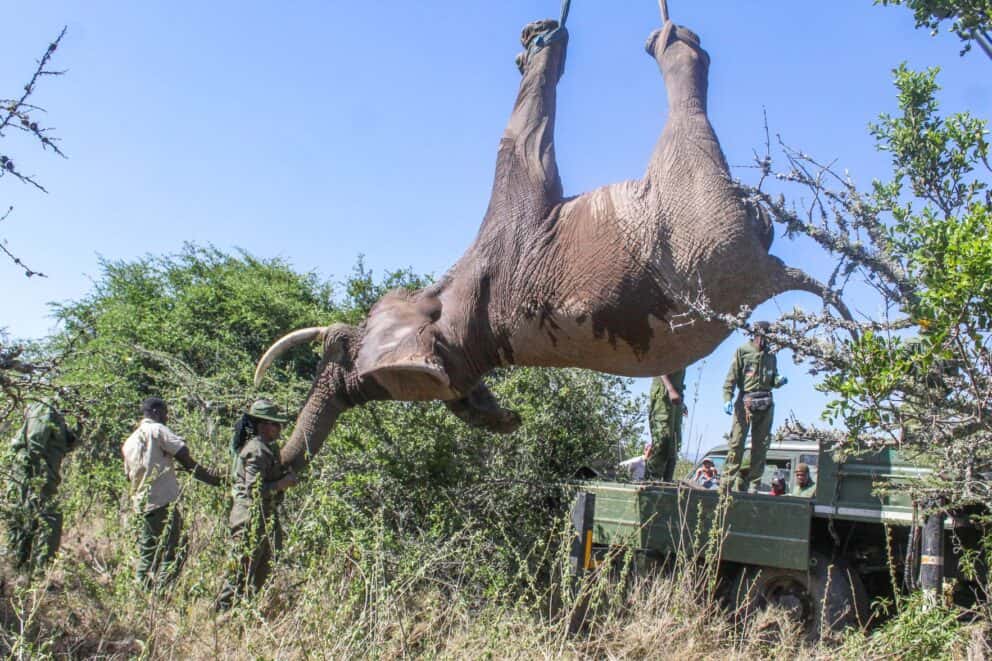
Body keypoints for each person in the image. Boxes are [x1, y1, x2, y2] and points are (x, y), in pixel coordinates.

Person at [121, 397, 222, 588]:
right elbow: (183, 453)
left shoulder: (129, 441)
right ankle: (162, 590)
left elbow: (129, 476)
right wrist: (215, 480)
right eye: (165, 413)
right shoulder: (157, 430)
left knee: (149, 550)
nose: (167, 417)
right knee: (175, 548)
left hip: (142, 503)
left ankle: (142, 592)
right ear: (157, 412)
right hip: (161, 502)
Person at [216, 399, 299, 611]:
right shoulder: (257, 450)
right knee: (241, 570)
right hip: (249, 518)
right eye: (275, 424)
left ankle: (243, 612)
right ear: (263, 426)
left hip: (262, 517)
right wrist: (282, 483)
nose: (279, 428)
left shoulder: (266, 449)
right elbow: (254, 490)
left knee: (261, 568)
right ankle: (223, 613)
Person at [5, 398, 79, 570]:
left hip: (42, 478)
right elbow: (35, 443)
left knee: (36, 521)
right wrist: (37, 481)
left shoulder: (58, 415)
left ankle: (26, 570)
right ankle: (31, 571)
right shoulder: (46, 407)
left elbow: (64, 445)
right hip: (30, 476)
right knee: (43, 519)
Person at [721, 321, 788, 492]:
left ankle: (754, 485)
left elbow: (772, 378)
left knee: (761, 445)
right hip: (745, 402)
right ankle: (726, 484)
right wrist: (727, 397)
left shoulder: (771, 355)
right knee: (736, 443)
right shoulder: (743, 351)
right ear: (756, 334)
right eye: (764, 334)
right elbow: (732, 377)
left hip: (765, 402)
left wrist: (778, 381)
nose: (766, 338)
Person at [646, 369, 688, 481]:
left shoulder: (684, 353)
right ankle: (652, 481)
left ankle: (667, 483)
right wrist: (670, 389)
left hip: (676, 400)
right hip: (663, 397)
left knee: (675, 443)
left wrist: (682, 403)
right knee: (663, 440)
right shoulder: (669, 351)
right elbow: (658, 366)